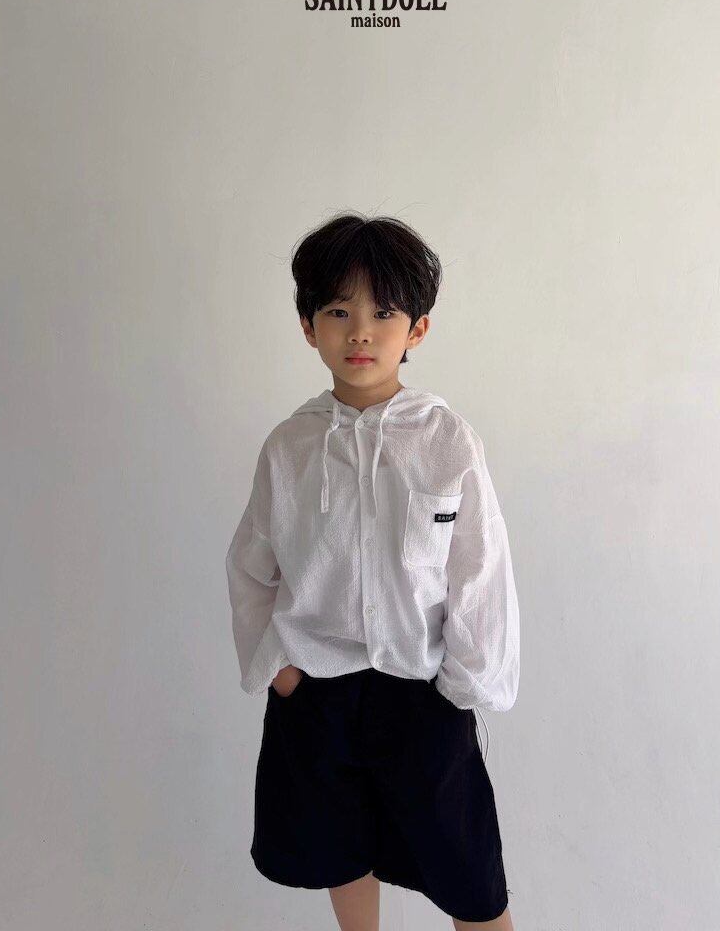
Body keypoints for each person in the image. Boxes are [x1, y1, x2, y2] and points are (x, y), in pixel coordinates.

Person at [226, 212, 520, 929]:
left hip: (421, 693)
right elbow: (251, 565)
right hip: (316, 696)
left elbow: (479, 569)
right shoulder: (290, 446)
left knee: (469, 877)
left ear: (418, 328)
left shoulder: (445, 440)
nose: (360, 332)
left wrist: (462, 686)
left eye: (383, 312)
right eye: (338, 311)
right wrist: (278, 669)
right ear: (308, 326)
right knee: (340, 852)